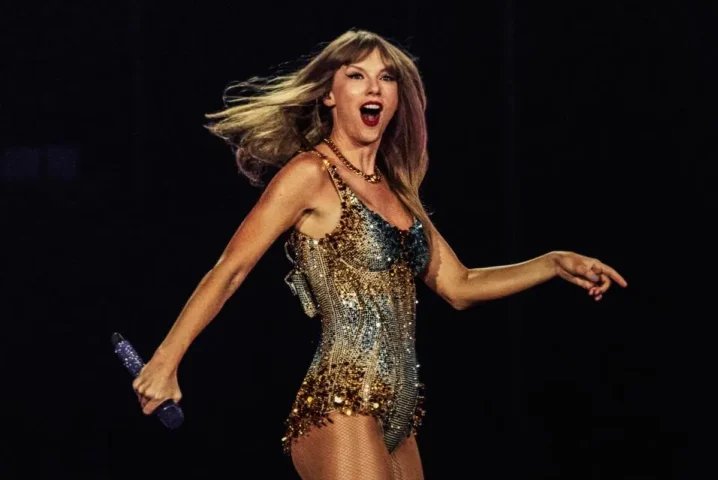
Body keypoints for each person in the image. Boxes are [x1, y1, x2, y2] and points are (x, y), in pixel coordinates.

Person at [131, 29, 628, 479]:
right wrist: (165, 360)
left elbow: (460, 285)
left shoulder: (397, 191)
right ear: (329, 94)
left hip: (400, 413)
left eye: (386, 78)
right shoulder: (310, 173)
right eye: (357, 75)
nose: (374, 87)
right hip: (341, 404)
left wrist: (553, 262)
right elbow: (231, 269)